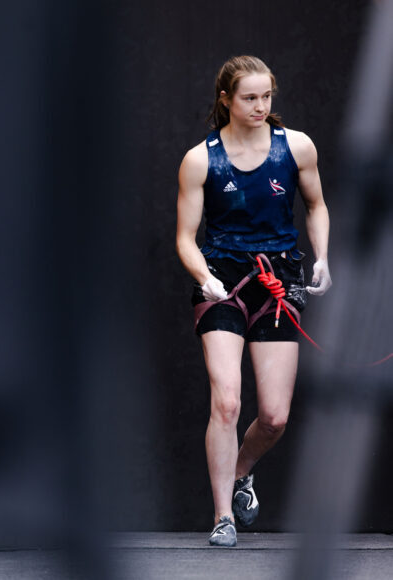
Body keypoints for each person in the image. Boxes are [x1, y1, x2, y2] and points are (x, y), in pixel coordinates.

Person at [175, 55, 331, 547]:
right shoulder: (201, 158)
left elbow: (316, 204)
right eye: (249, 98)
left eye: (267, 97)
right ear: (226, 99)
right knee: (226, 400)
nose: (261, 106)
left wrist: (322, 257)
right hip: (222, 279)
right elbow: (184, 236)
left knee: (274, 417)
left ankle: (240, 472)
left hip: (279, 279)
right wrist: (204, 275)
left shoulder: (297, 148)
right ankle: (223, 516)